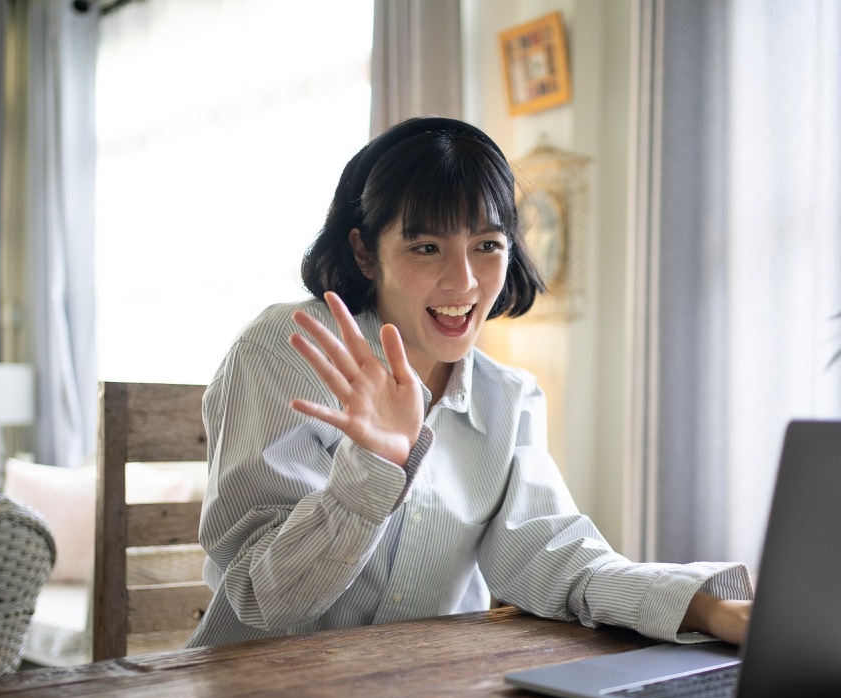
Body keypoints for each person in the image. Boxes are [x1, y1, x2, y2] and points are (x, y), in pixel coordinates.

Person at [186, 117, 753, 649]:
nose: (463, 281)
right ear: (364, 251)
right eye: (425, 247)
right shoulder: (284, 350)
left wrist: (704, 609)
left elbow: (555, 558)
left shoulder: (508, 397)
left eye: (487, 246)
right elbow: (263, 602)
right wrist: (374, 469)